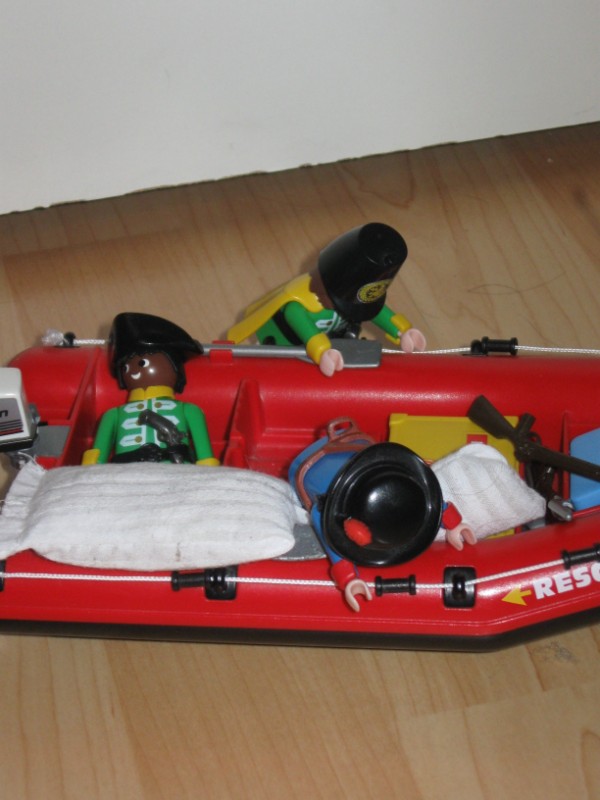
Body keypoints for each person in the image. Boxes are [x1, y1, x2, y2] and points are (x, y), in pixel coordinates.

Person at [227, 223, 426, 376]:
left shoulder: (353, 300)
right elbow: (297, 320)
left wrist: (402, 330)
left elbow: (374, 310)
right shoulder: (299, 305)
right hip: (285, 348)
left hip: (331, 348)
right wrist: (321, 351)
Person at [82, 312, 218, 466]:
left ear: (174, 366)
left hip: (177, 472)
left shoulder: (189, 410)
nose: (133, 371)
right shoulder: (113, 415)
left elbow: (205, 456)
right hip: (125, 474)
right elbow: (96, 456)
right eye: (126, 367)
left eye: (142, 363)